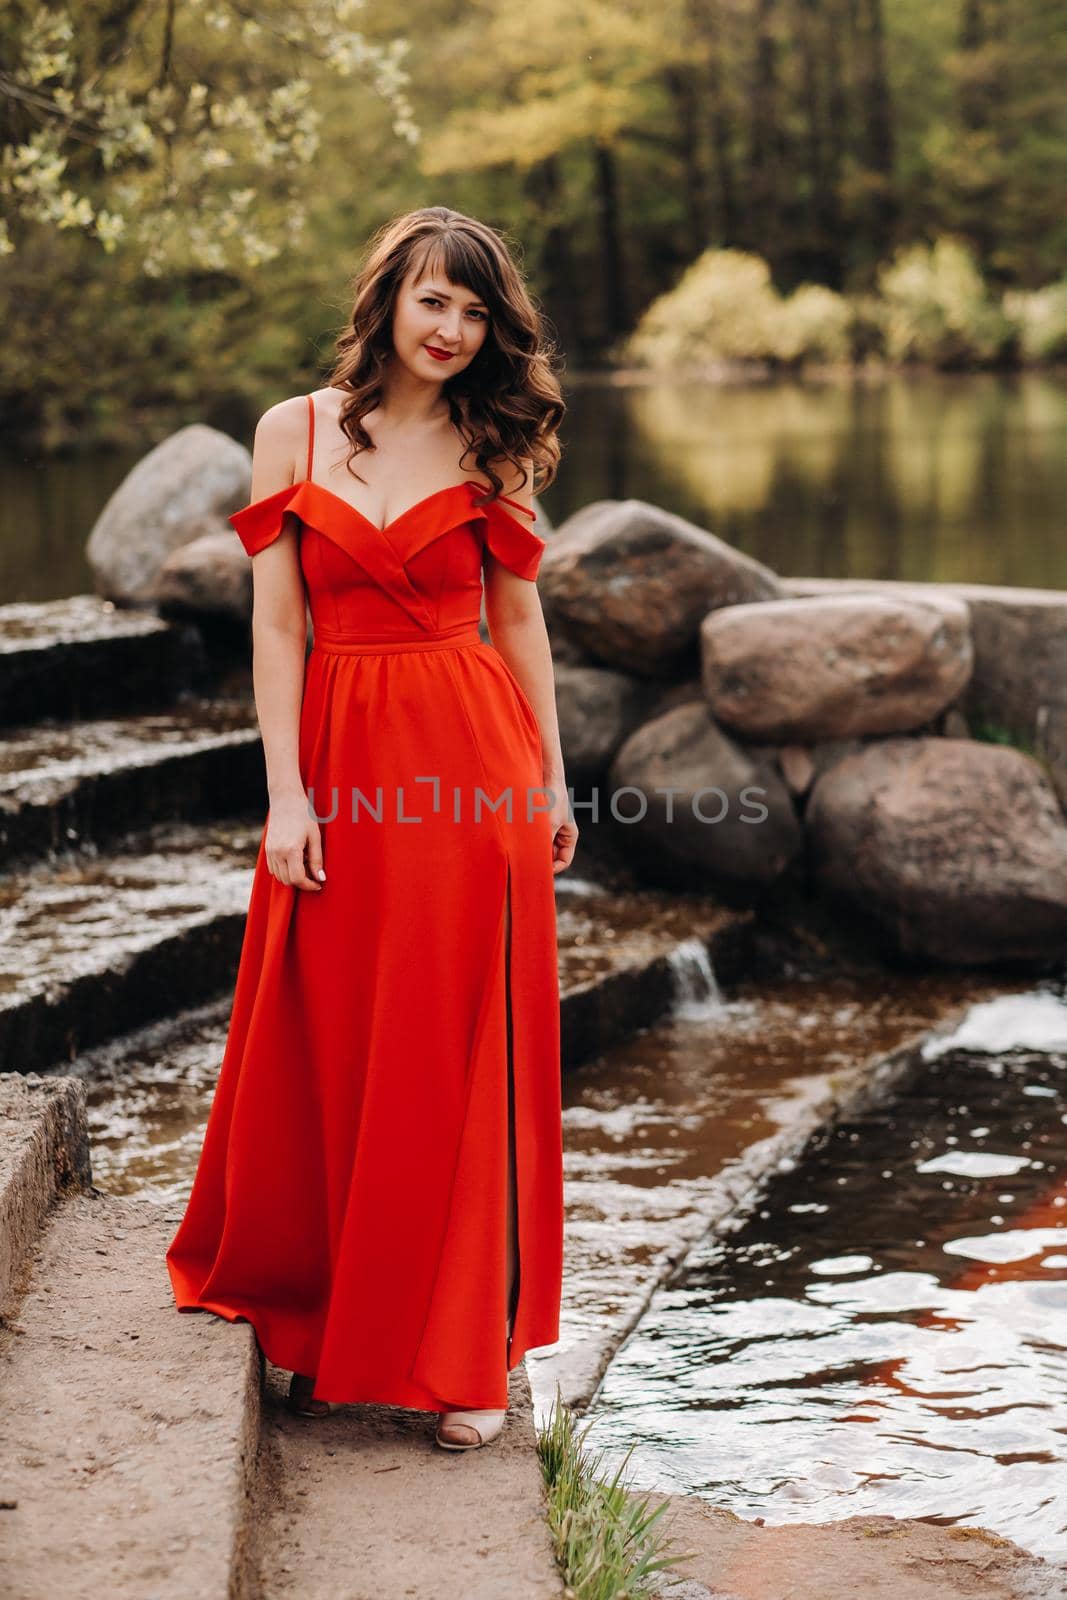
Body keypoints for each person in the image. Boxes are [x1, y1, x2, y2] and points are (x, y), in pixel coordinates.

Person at [165, 205, 577, 1452]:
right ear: (388, 299)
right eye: (433, 302)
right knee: (335, 1030)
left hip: (469, 768)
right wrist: (286, 790)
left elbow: (517, 628)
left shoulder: (490, 446)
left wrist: (551, 779)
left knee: (460, 1055)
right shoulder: (289, 430)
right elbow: (277, 625)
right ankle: (324, 1316)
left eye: (474, 311)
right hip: (338, 761)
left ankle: (466, 1357)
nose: (451, 330)